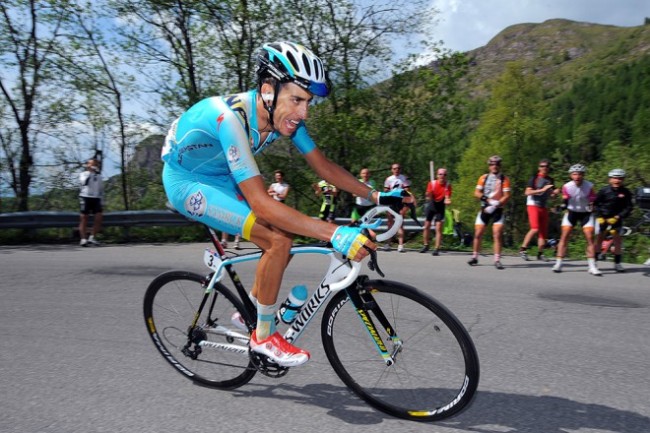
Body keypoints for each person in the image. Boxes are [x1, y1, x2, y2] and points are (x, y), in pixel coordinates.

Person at [161, 41, 404, 367]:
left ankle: (249, 309)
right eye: (297, 100)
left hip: (221, 176)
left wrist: (377, 195)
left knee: (280, 240)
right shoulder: (230, 119)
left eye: (308, 103)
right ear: (267, 90)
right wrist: (334, 233)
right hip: (187, 182)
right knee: (277, 238)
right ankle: (263, 336)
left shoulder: (282, 116)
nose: (304, 113)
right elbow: (261, 204)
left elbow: (324, 167)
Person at [551, 164, 601, 275]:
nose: (577, 176)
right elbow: (565, 202)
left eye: (579, 174)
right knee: (565, 236)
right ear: (571, 175)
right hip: (572, 213)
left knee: (589, 237)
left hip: (585, 214)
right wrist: (560, 207)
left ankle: (592, 266)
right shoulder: (567, 186)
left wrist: (592, 205)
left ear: (583, 175)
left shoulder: (589, 186)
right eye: (574, 174)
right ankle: (558, 263)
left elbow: (593, 200)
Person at [467, 155, 511, 269]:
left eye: (496, 164)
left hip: (498, 209)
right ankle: (475, 257)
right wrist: (487, 200)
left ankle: (497, 259)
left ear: (500, 166)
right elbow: (476, 193)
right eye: (492, 164)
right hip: (485, 208)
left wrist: (497, 203)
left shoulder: (504, 179)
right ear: (489, 166)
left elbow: (507, 196)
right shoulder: (483, 178)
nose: (494, 166)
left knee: (497, 234)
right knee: (478, 234)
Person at [594, 168, 634, 272]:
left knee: (617, 241)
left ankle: (617, 263)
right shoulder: (604, 190)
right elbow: (596, 204)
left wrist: (618, 217)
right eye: (615, 178)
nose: (617, 180)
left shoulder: (626, 192)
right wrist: (599, 216)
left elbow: (629, 207)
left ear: (623, 179)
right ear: (610, 179)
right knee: (599, 239)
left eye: (620, 178)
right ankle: (594, 262)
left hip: (616, 219)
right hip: (603, 218)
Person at [518, 159, 559, 261]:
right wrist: (542, 190)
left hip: (543, 205)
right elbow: (527, 192)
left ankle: (540, 253)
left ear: (549, 168)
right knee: (535, 228)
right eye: (542, 166)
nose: (544, 168)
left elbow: (552, 195)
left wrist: (555, 193)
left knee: (543, 232)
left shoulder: (550, 180)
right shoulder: (534, 178)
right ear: (539, 167)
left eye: (546, 166)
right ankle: (523, 249)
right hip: (532, 204)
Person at [420, 168, 452, 256]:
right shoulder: (432, 184)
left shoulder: (447, 185)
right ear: (437, 175)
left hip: (440, 207)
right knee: (426, 226)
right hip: (431, 205)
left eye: (444, 175)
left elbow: (447, 197)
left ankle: (437, 248)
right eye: (440, 174)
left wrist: (448, 201)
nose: (442, 176)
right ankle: (426, 245)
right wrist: (429, 195)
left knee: (438, 228)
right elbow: (428, 196)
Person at [383, 163, 414, 252]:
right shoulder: (388, 179)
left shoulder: (403, 178)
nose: (397, 170)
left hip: (400, 203)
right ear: (392, 170)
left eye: (398, 168)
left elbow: (407, 190)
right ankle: (388, 243)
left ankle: (400, 245)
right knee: (390, 223)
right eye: (395, 168)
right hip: (391, 203)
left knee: (400, 223)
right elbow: (385, 190)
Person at [79, 158, 104, 247]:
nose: (93, 165)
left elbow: (101, 189)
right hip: (85, 197)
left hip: (96, 198)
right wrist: (90, 173)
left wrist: (102, 200)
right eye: (91, 164)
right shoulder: (83, 174)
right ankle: (83, 239)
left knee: (99, 217)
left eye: (95, 164)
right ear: (87, 165)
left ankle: (92, 237)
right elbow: (84, 183)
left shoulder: (99, 176)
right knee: (84, 218)